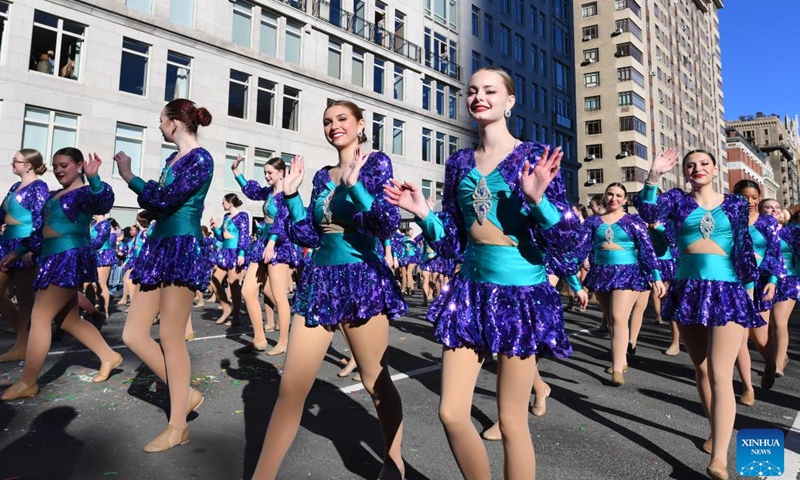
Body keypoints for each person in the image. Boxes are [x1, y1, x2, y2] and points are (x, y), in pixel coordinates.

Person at [385, 67, 584, 480]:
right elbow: (453, 243)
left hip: (522, 296)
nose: (479, 96)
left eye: (490, 91)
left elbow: (571, 241)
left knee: (512, 423)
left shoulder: (536, 156)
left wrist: (539, 201)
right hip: (470, 294)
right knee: (452, 413)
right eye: (473, 91)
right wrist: (422, 213)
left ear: (509, 101)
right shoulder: (458, 163)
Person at [251, 100, 407, 480]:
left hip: (361, 281)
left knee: (375, 381)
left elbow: (385, 223)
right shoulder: (321, 176)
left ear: (360, 124)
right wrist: (290, 197)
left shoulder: (377, 164)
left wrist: (355, 188)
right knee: (291, 386)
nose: (334, 126)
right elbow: (307, 234)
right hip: (319, 282)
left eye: (342, 119)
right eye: (327, 121)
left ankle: (393, 460)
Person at [636, 148, 763, 480]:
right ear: (685, 172)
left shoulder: (735, 204)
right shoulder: (677, 201)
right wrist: (654, 175)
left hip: (729, 290)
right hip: (688, 290)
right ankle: (714, 428)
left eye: (704, 164)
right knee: (703, 370)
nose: (697, 169)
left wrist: (750, 290)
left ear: (715, 168)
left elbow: (744, 247)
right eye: (691, 165)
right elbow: (646, 211)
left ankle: (719, 458)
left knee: (722, 374)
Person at [114, 98, 213, 452]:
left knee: (171, 337)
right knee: (133, 333)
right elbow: (156, 204)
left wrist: (129, 176)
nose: (158, 126)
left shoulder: (201, 159)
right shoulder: (173, 159)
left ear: (175, 122)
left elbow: (166, 198)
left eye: (160, 120)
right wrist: (145, 195)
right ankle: (184, 394)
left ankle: (177, 426)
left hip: (182, 247)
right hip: (158, 247)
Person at [0, 148, 120, 401]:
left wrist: (95, 178)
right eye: (55, 165)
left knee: (41, 316)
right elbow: (39, 232)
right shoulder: (53, 196)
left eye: (64, 164)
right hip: (50, 258)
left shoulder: (85, 193)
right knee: (68, 321)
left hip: (69, 257)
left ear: (78, 166)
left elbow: (104, 202)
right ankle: (109, 356)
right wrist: (18, 250)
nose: (59, 170)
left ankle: (28, 381)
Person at [581, 183, 665, 385]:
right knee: (611, 320)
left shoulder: (633, 221)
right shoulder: (592, 222)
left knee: (619, 317)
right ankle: (622, 358)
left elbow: (646, 250)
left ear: (625, 200)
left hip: (627, 272)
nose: (614, 198)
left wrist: (656, 276)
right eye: (610, 194)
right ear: (604, 196)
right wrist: (582, 259)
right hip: (601, 272)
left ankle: (617, 369)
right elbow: (582, 245)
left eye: (619, 195)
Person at [232, 155, 297, 355]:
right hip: (262, 244)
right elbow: (253, 191)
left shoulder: (287, 193)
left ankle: (284, 341)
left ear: (281, 173)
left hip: (278, 245)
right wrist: (236, 172)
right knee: (247, 291)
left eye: (270, 173)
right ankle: (259, 337)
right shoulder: (269, 192)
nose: (267, 176)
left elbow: (283, 219)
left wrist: (271, 243)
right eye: (265, 173)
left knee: (279, 296)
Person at [732, 181, 782, 406]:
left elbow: (774, 252)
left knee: (760, 339)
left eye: (754, 197)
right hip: (736, 284)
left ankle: (770, 365)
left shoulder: (767, 222)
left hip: (761, 284)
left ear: (759, 197)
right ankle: (748, 387)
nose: (750, 202)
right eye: (744, 197)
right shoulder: (729, 219)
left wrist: (772, 280)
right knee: (739, 340)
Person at [0, 149, 50, 363]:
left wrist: (30, 248)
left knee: (25, 300)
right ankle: (23, 336)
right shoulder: (14, 187)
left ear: (28, 165)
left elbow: (41, 220)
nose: (12, 163)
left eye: (16, 161)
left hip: (24, 246)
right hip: (5, 244)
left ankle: (22, 344)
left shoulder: (39, 187)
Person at [764, 201, 800, 380]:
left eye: (777, 208)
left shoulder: (792, 231)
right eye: (769, 208)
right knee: (767, 324)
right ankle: (781, 355)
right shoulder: (757, 230)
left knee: (779, 321)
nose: (774, 211)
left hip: (788, 279)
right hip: (763, 281)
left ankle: (777, 364)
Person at [209, 193, 250, 326]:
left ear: (230, 202)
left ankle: (236, 315)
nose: (222, 204)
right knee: (213, 280)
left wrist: (241, 253)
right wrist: (215, 228)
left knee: (234, 284)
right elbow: (221, 237)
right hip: (225, 252)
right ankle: (227, 308)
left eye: (224, 202)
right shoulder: (226, 217)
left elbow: (244, 235)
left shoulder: (242, 216)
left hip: (236, 252)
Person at [89, 214, 117, 316]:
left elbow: (99, 241)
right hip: (95, 255)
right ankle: (92, 308)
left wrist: (84, 244)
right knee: (92, 284)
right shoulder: (93, 223)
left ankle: (104, 310)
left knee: (101, 283)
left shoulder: (105, 224)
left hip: (104, 255)